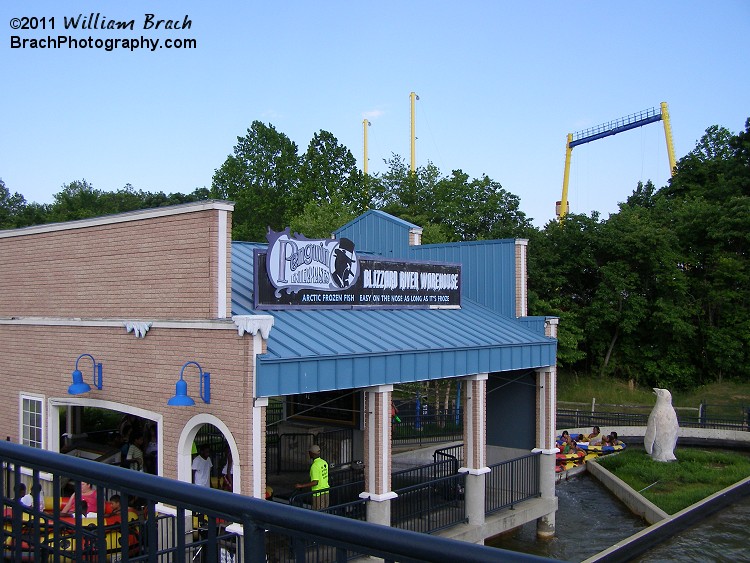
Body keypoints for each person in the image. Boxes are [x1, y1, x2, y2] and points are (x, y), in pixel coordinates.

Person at [295, 444, 329, 510]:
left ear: (312, 453)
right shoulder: (324, 462)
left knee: (318, 514)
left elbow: (315, 482)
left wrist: (301, 486)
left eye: (309, 452)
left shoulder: (315, 466)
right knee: (325, 512)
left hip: (318, 493)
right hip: (326, 491)